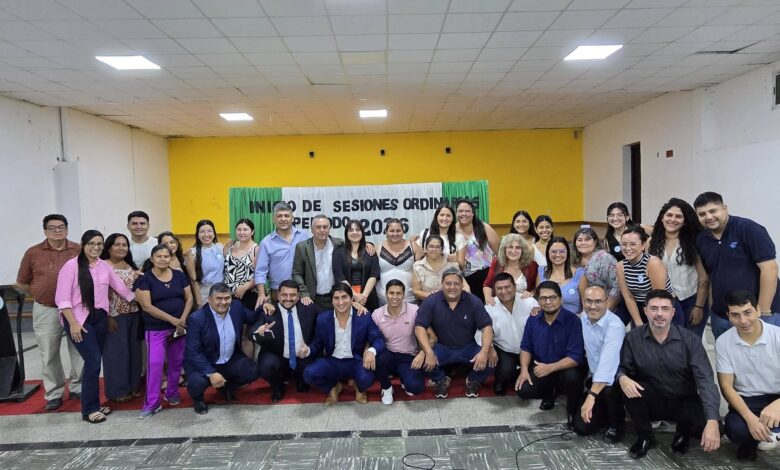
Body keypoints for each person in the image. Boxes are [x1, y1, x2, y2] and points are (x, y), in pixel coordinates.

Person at [618, 289, 721, 459]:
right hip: (652, 398)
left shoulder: (690, 340)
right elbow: (622, 367)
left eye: (665, 309)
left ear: (673, 313)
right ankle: (645, 437)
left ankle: (683, 432)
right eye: (654, 308)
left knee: (713, 426)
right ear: (645, 311)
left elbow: (706, 380)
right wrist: (622, 378)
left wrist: (712, 421)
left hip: (683, 400)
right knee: (629, 388)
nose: (659, 314)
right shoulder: (632, 338)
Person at [55, 230, 135, 423]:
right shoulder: (71, 266)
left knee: (93, 362)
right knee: (93, 361)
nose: (96, 247)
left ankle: (94, 404)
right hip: (79, 319)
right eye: (91, 243)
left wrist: (144, 298)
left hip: (99, 317)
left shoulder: (104, 266)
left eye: (99, 244)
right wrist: (73, 324)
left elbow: (121, 288)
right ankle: (89, 410)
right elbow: (62, 299)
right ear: (83, 245)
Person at [15, 214, 83, 411]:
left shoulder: (78, 250)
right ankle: (54, 393)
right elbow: (21, 282)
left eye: (61, 227)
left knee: (79, 349)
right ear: (45, 231)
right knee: (48, 352)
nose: (57, 230)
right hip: (46, 309)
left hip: (76, 309)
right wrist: (39, 292)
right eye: (52, 228)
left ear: (67, 229)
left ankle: (78, 387)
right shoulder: (33, 253)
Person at [694, 191, 780, 338]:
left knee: (763, 352)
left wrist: (763, 312)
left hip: (756, 315)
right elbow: (711, 276)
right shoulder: (702, 239)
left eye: (713, 211)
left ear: (725, 208)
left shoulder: (748, 229)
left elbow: (770, 269)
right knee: (726, 352)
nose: (708, 217)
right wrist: (712, 308)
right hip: (721, 317)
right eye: (702, 214)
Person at [716, 290, 780, 460]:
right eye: (735, 315)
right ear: (728, 316)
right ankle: (756, 437)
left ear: (758, 310)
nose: (743, 321)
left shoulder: (777, 335)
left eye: (747, 312)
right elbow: (726, 386)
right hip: (748, 399)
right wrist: (750, 418)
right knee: (735, 429)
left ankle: (772, 432)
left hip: (777, 396)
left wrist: (778, 405)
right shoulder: (723, 342)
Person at [415, 266, 494, 398]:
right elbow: (419, 327)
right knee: (423, 362)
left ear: (462, 285)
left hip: (468, 347)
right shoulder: (431, 301)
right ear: (442, 284)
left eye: (456, 283)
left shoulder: (474, 301)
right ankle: (441, 379)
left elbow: (487, 327)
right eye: (448, 283)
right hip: (442, 347)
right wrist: (428, 352)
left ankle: (473, 379)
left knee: (491, 361)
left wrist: (485, 351)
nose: (452, 287)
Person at [515, 281, 586, 428]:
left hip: (566, 367)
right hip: (542, 367)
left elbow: (576, 357)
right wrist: (524, 370)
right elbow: (526, 347)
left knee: (572, 378)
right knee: (523, 391)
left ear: (560, 299)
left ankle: (572, 409)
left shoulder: (573, 320)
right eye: (543, 298)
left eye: (552, 297)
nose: (548, 302)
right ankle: (550, 392)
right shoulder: (533, 320)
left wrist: (550, 368)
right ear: (538, 300)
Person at [134, 244, 193, 418]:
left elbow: (189, 299)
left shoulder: (179, 275)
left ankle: (172, 393)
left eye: (166, 256)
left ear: (171, 258)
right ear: (152, 259)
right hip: (156, 329)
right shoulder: (145, 279)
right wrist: (173, 320)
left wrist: (182, 320)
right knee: (155, 364)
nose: (162, 259)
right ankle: (152, 403)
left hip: (179, 328)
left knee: (176, 363)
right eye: (158, 256)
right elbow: (147, 306)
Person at [302, 284, 385, 405]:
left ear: (352, 299)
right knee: (309, 374)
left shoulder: (363, 316)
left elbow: (378, 339)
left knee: (367, 378)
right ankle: (334, 387)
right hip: (332, 360)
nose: (341, 302)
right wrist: (308, 350)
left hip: (356, 361)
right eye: (336, 298)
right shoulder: (323, 319)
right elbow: (317, 344)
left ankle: (359, 387)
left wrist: (371, 351)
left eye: (344, 297)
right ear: (332, 301)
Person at [185, 283, 260, 415]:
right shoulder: (197, 319)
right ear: (209, 299)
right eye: (219, 298)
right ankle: (198, 400)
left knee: (254, 370)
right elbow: (193, 352)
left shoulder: (236, 307)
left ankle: (226, 387)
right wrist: (211, 373)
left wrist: (264, 307)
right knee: (196, 382)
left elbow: (252, 317)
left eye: (227, 298)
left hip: (229, 360)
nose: (224, 302)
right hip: (205, 363)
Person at [648, 198, 710, 337]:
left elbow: (703, 277)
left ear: (685, 221)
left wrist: (699, 306)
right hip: (664, 301)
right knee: (669, 341)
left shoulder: (693, 242)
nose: (673, 219)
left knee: (691, 341)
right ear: (662, 218)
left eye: (678, 216)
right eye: (669, 215)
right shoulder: (651, 243)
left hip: (691, 299)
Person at [572, 286, 626, 443]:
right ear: (583, 302)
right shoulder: (584, 317)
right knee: (581, 427)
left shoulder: (614, 325)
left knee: (608, 390)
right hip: (594, 378)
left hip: (615, 379)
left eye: (598, 301)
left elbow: (607, 366)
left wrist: (591, 396)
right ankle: (603, 413)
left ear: (606, 302)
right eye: (588, 301)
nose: (593, 306)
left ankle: (617, 425)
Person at [253, 280, 319, 402]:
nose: (288, 299)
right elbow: (251, 333)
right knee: (266, 365)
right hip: (279, 357)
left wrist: (354, 304)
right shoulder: (268, 311)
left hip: (302, 356)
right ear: (278, 295)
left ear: (298, 296)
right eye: (284, 295)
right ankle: (278, 385)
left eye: (292, 295)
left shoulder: (309, 308)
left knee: (313, 368)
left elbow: (328, 319)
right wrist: (259, 332)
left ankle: (301, 379)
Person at [480, 273, 539, 396]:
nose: (504, 291)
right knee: (505, 371)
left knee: (537, 376)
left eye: (507, 287)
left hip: (530, 349)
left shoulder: (529, 302)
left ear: (515, 287)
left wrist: (540, 309)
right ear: (494, 290)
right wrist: (490, 347)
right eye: (499, 288)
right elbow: (480, 332)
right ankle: (501, 379)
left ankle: (520, 373)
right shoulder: (489, 307)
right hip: (505, 349)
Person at [99, 233, 142, 403]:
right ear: (108, 247)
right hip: (114, 315)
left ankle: (133, 386)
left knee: (134, 352)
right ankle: (117, 391)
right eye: (117, 244)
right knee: (116, 353)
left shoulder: (130, 265)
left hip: (134, 313)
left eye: (124, 245)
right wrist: (107, 316)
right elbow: (100, 293)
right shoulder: (103, 265)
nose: (121, 248)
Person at [616, 225, 683, 326]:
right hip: (641, 309)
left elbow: (659, 297)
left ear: (643, 245)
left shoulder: (652, 263)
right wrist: (638, 323)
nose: (628, 248)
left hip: (663, 308)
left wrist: (653, 325)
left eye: (633, 244)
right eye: (624, 244)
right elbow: (628, 297)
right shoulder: (620, 266)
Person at [372, 280, 426, 405]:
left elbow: (429, 335)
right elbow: (371, 338)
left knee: (415, 388)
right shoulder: (377, 314)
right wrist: (368, 351)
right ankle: (386, 387)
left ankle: (404, 377)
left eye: (398, 293)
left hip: (408, 356)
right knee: (375, 357)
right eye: (391, 293)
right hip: (387, 355)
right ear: (386, 294)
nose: (395, 297)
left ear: (403, 295)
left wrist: (422, 353)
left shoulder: (414, 310)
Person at [254, 202, 310, 307]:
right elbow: (260, 271)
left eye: (286, 216)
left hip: (302, 293)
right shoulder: (266, 242)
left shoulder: (304, 236)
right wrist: (261, 294)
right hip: (278, 294)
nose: (283, 219)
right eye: (279, 216)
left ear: (292, 218)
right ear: (274, 219)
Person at [292, 214, 343, 310]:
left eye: (325, 227)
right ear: (312, 230)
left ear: (329, 229)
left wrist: (369, 244)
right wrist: (304, 293)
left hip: (336, 298)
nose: (322, 230)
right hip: (312, 299)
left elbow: (356, 246)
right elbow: (297, 273)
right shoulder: (302, 247)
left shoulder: (339, 244)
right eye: (318, 227)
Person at [332, 219, 380, 312]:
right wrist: (354, 295)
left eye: (358, 230)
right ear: (346, 233)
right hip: (346, 298)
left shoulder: (370, 250)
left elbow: (374, 275)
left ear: (362, 232)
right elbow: (340, 276)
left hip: (369, 297)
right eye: (351, 230)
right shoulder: (338, 252)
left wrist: (363, 296)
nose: (354, 233)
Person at [456, 200, 499, 302]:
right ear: (456, 213)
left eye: (467, 211)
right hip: (465, 277)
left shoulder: (484, 227)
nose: (464, 214)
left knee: (490, 305)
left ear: (473, 213)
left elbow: (499, 251)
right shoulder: (452, 230)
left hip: (488, 274)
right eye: (460, 211)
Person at [572, 227, 621, 311]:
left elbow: (617, 286)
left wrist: (606, 311)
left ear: (595, 242)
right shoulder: (573, 262)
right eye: (579, 240)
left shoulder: (604, 258)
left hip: (606, 309)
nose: (583, 243)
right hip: (582, 309)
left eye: (587, 239)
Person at [377, 218, 422, 305]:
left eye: (398, 230)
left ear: (403, 232)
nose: (395, 233)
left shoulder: (413, 246)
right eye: (392, 231)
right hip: (383, 299)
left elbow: (422, 270)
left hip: (410, 298)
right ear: (386, 232)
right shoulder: (378, 247)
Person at [483, 234, 538, 305]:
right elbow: (487, 285)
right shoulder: (497, 263)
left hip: (524, 304)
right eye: (510, 247)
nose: (513, 251)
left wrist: (530, 293)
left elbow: (537, 288)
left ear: (523, 250)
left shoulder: (531, 265)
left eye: (518, 248)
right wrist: (488, 298)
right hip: (499, 304)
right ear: (504, 249)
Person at [411, 234, 467, 302]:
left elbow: (465, 286)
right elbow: (416, 290)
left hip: (451, 302)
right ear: (425, 249)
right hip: (429, 302)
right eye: (431, 246)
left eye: (438, 247)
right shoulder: (418, 266)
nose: (434, 249)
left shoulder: (451, 264)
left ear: (442, 249)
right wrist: (429, 295)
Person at [538, 236, 585, 314]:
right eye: (554, 251)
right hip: (547, 319)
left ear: (567, 253)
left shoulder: (580, 274)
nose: (558, 255)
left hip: (573, 319)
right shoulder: (541, 272)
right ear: (548, 253)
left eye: (562, 251)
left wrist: (578, 318)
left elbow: (587, 304)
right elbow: (537, 301)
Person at [185, 219, 224, 308]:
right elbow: (193, 280)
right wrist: (199, 301)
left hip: (222, 290)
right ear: (197, 235)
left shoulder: (220, 247)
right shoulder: (192, 253)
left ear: (214, 233)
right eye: (202, 232)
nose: (206, 234)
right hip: (205, 293)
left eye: (209, 231)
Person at [224, 218, 259, 311]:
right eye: (239, 229)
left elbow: (261, 275)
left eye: (245, 229)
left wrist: (245, 287)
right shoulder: (231, 245)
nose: (242, 232)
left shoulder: (256, 249)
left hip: (247, 295)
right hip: (227, 296)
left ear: (252, 232)